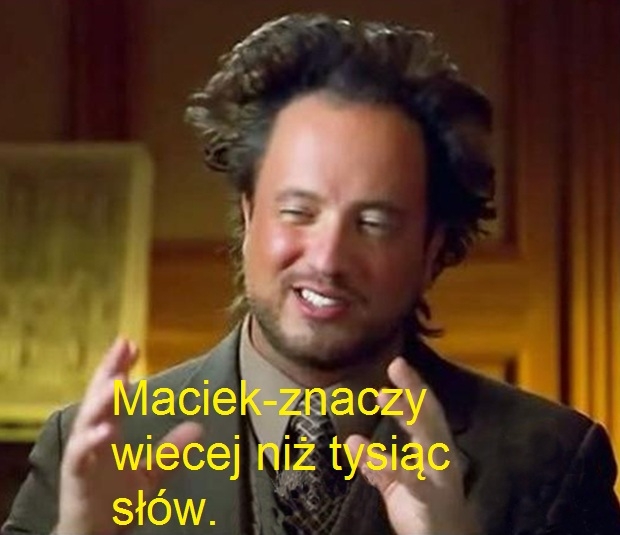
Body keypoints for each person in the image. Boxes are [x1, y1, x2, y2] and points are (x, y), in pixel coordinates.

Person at [3, 12, 620, 535]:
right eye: (298, 212)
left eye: (373, 223)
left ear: (433, 248)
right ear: (249, 214)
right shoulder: (95, 452)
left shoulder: (550, 465)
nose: (327, 259)